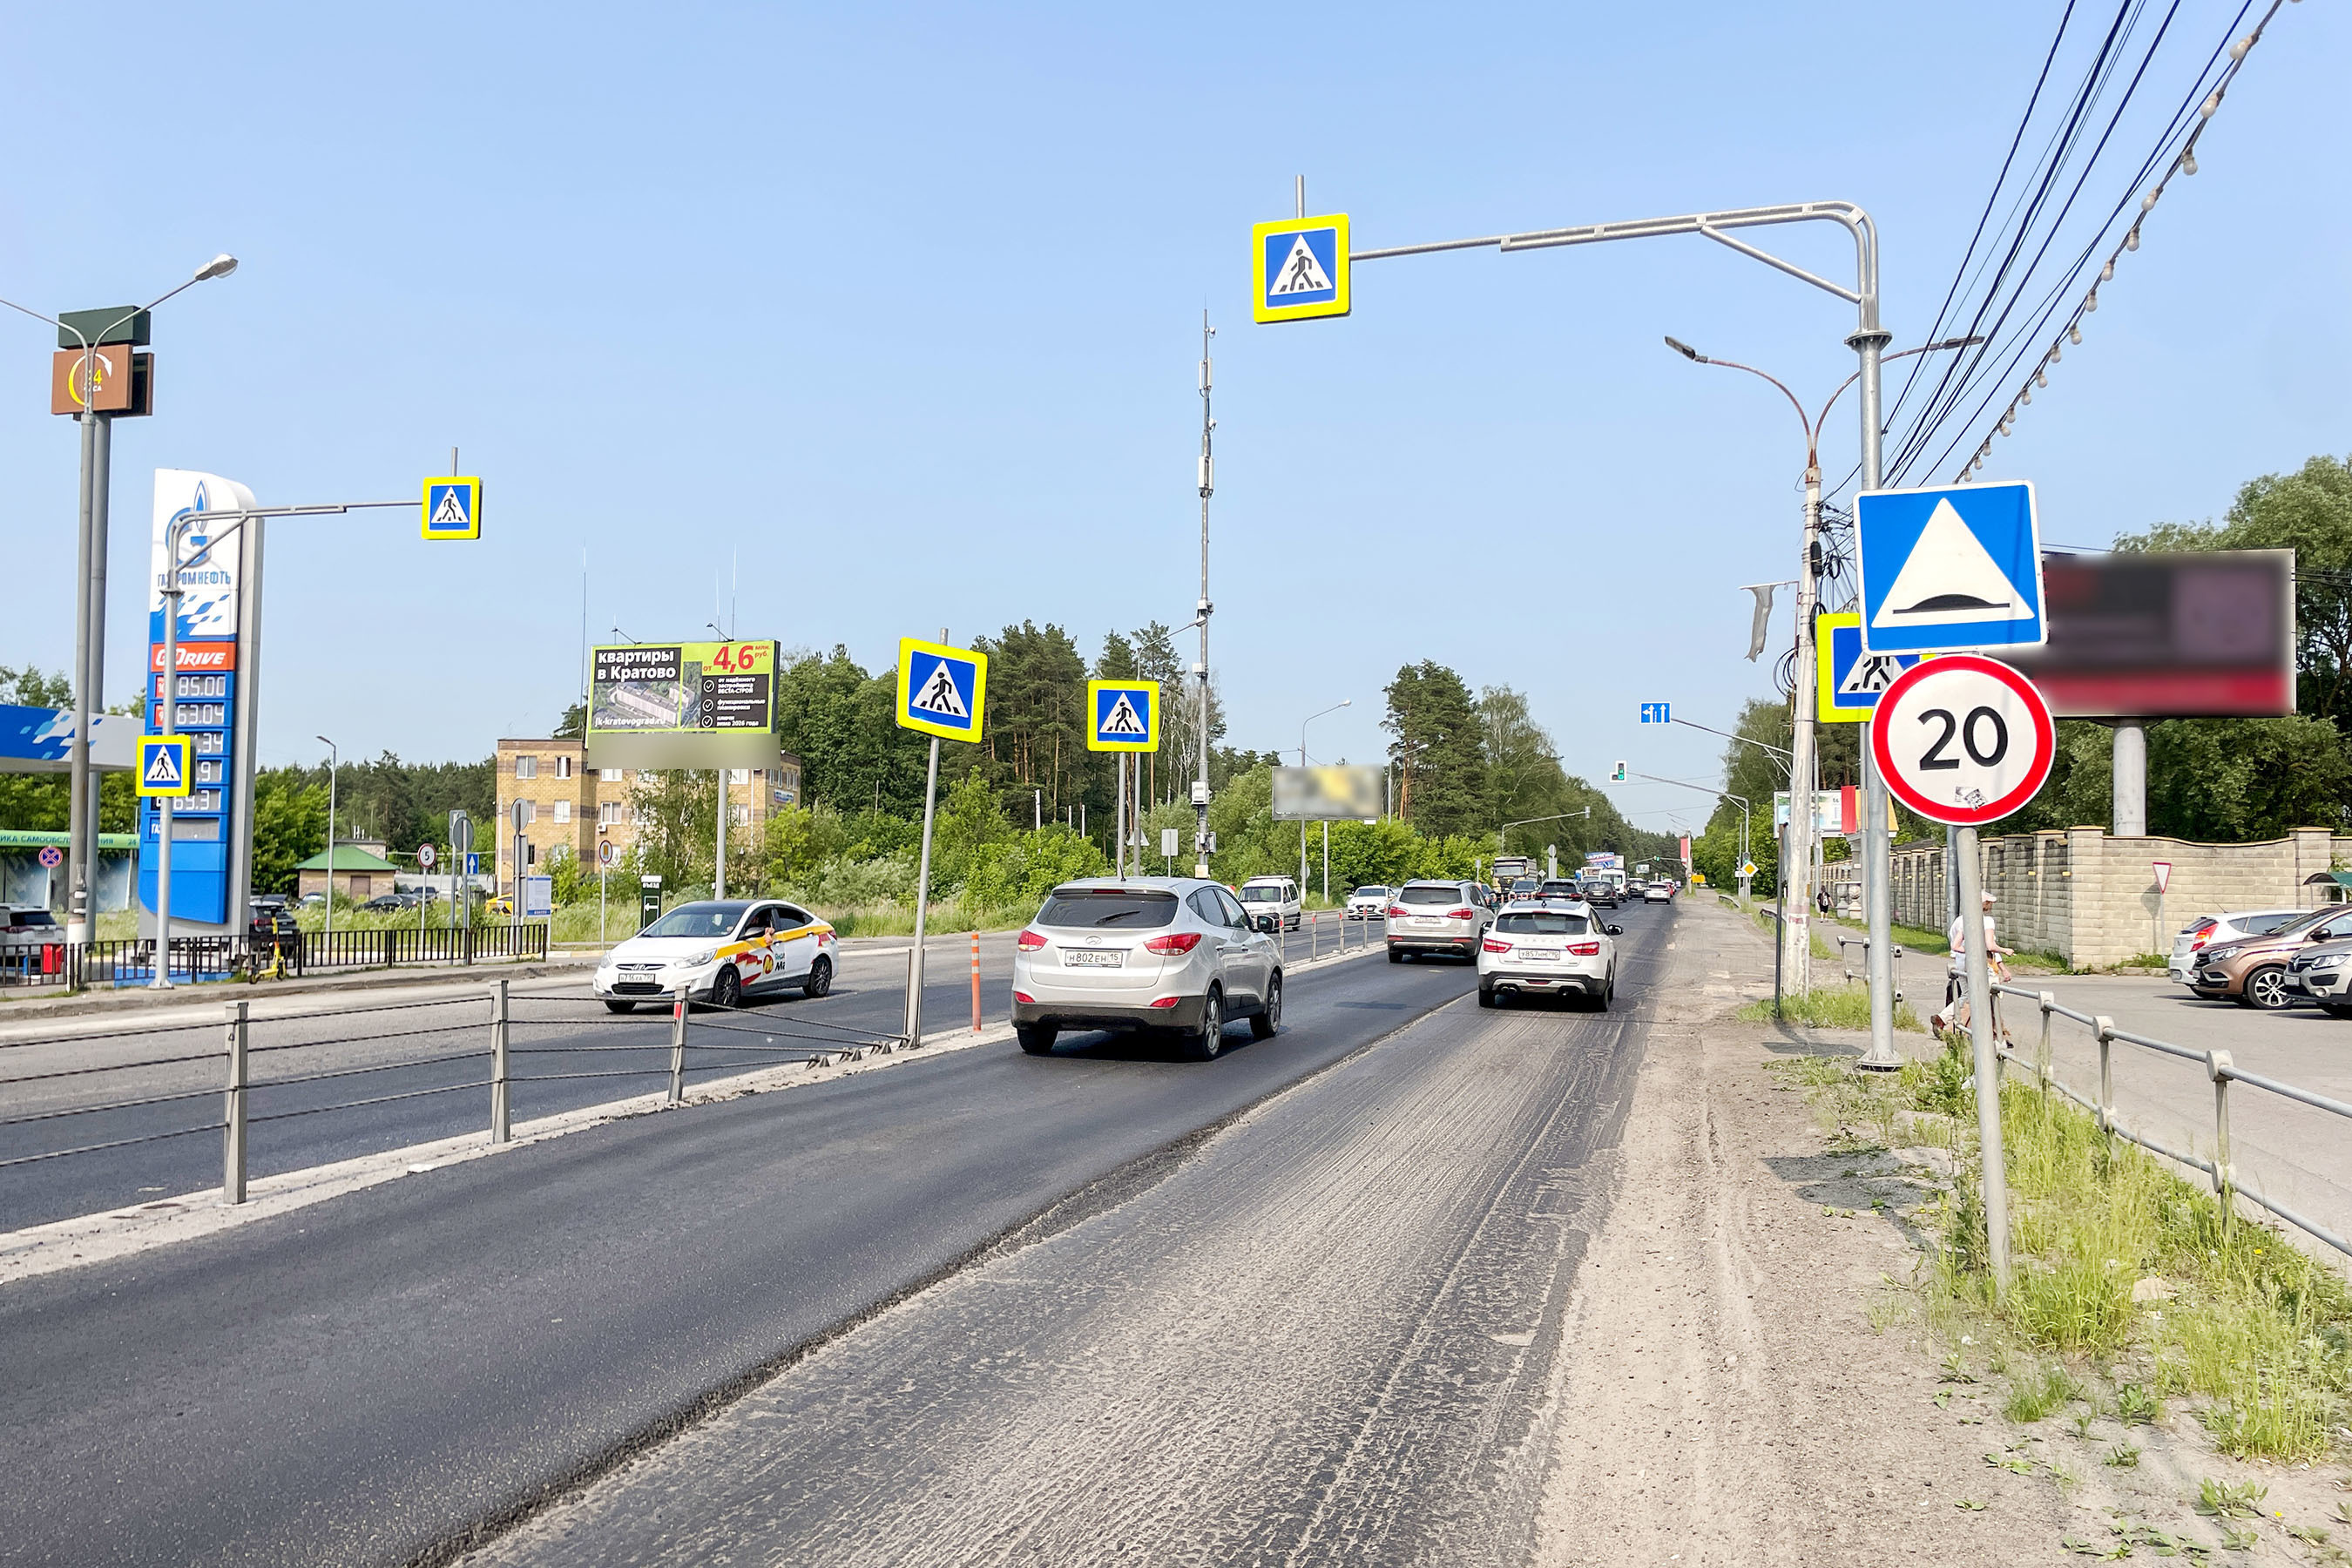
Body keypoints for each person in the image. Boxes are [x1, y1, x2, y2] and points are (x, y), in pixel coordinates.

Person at [1932, 889, 2013, 1037]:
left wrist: (1966, 952)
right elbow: (1990, 946)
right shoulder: (1987, 921)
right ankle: (1955, 1030)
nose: (1991, 906)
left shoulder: (1962, 921)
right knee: (1987, 995)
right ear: (1984, 904)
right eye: (1989, 903)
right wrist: (2005, 951)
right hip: (1982, 965)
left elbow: (1954, 945)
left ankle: (1944, 1018)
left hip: (1962, 963)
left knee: (1969, 995)